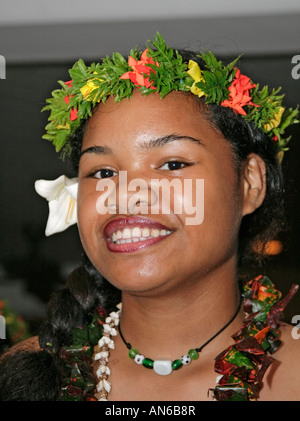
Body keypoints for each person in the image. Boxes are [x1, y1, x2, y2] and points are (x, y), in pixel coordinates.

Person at [0, 33, 299, 401]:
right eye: (103, 172)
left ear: (250, 184)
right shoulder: (26, 375)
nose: (126, 194)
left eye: (172, 164)